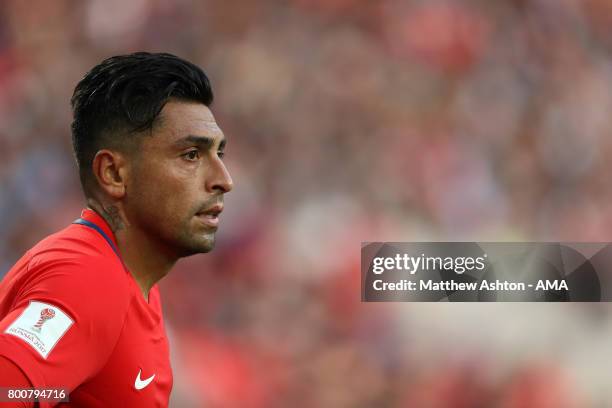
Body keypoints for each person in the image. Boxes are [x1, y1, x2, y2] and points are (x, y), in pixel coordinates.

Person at [0, 52, 233, 407]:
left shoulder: (134, 283)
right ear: (113, 173)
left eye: (219, 154)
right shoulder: (86, 279)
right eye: (190, 155)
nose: (223, 180)